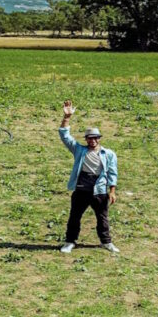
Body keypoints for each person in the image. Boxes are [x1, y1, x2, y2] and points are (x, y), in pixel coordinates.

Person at [58, 100, 119, 254]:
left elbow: (112, 173)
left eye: (95, 138)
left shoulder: (109, 154)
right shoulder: (79, 150)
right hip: (81, 187)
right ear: (86, 139)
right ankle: (70, 242)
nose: (93, 141)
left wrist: (112, 191)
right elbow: (65, 136)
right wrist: (67, 117)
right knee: (74, 216)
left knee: (102, 217)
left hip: (99, 189)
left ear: (99, 138)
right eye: (89, 138)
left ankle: (106, 242)